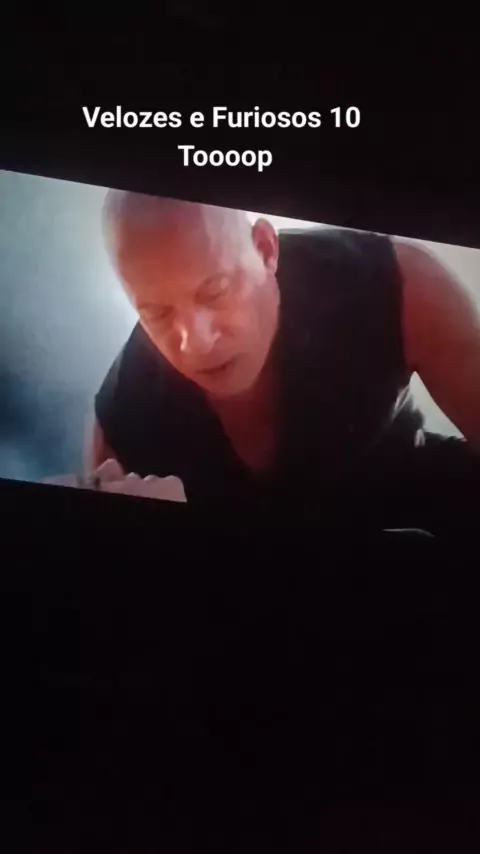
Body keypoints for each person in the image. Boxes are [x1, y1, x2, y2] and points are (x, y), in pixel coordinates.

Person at [87, 191, 480, 529]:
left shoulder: (400, 285)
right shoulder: (123, 418)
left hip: (413, 501)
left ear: (264, 248)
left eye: (215, 291)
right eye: (157, 314)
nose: (196, 342)